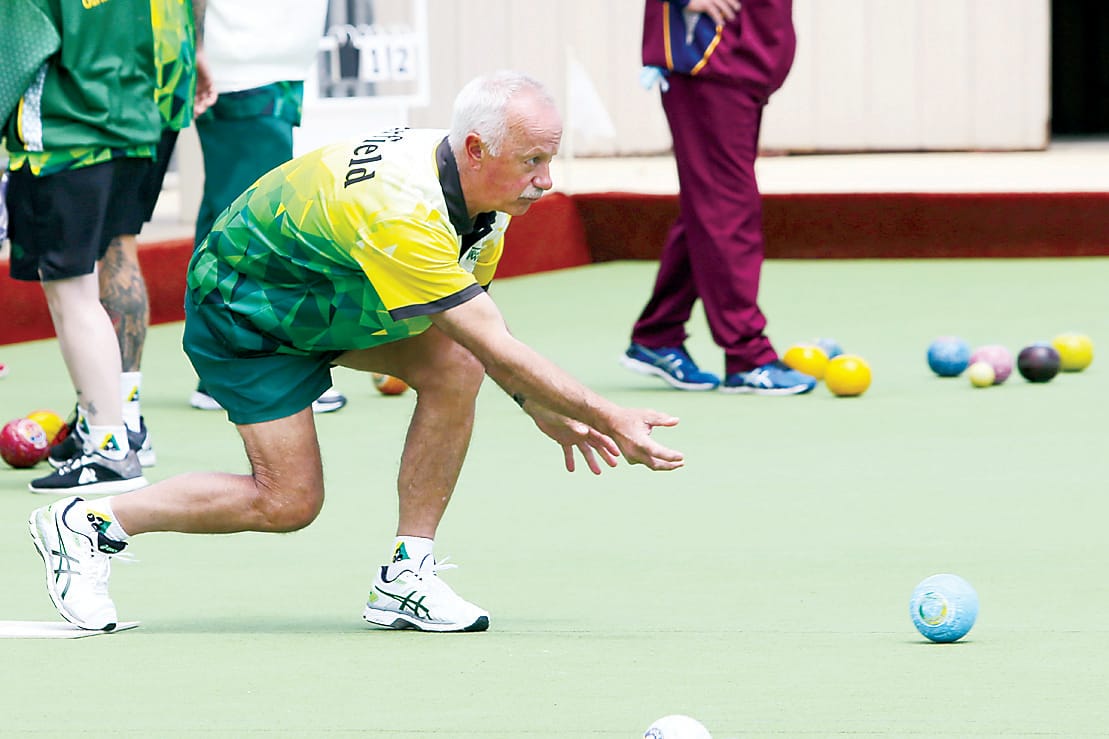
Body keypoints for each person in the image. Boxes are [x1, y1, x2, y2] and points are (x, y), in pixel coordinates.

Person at [28, 71, 685, 635]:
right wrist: (606, 415)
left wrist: (535, 402)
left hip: (335, 296)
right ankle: (89, 522)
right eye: (532, 161)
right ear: (478, 148)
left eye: (550, 158)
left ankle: (407, 573)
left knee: (457, 364)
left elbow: (478, 333)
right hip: (246, 308)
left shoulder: (486, 200)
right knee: (288, 501)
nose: (546, 181)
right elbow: (492, 337)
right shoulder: (402, 208)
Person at [45, 0, 212, 472]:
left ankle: (110, 429)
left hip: (93, 83)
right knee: (119, 244)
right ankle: (123, 417)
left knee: (89, 261)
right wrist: (194, 47)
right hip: (159, 75)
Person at [5, 0, 162, 494]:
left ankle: (108, 449)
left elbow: (14, 56)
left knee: (72, 296)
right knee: (89, 284)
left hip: (65, 139)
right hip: (130, 131)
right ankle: (107, 432)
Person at [620, 0, 816, 395]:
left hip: (744, 59)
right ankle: (748, 355)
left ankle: (658, 334)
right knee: (728, 209)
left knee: (710, 207)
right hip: (709, 55)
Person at [188, 0, 346, 414]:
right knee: (245, 221)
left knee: (247, 214)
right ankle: (227, 370)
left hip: (278, 59)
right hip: (239, 63)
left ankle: (225, 367)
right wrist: (196, 45)